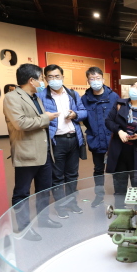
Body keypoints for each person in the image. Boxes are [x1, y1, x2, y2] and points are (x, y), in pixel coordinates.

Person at [3, 63, 62, 241]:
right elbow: (20, 123)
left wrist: (45, 118)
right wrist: (46, 117)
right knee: (22, 193)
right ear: (31, 80)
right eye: (41, 78)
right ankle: (24, 228)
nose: (43, 82)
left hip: (44, 152)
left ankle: (43, 219)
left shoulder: (36, 97)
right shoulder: (12, 98)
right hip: (26, 153)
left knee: (44, 190)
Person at [38, 64, 88, 219]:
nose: (54, 79)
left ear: (62, 77)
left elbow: (84, 112)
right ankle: (60, 206)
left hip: (73, 139)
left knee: (72, 174)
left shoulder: (72, 94)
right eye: (50, 77)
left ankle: (72, 203)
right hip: (56, 141)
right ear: (45, 78)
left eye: (57, 76)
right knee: (58, 176)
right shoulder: (41, 96)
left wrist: (75, 114)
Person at [105, 81, 137, 208]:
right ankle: (119, 211)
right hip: (120, 152)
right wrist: (119, 131)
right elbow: (108, 121)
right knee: (119, 186)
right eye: (133, 86)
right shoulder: (120, 104)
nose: (133, 88)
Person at [81, 66, 119, 208]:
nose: (95, 81)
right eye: (92, 79)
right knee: (98, 169)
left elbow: (119, 117)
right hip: (95, 139)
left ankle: (118, 195)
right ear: (88, 81)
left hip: (113, 139)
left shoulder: (113, 97)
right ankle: (99, 196)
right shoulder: (84, 99)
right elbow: (85, 119)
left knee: (116, 168)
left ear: (103, 79)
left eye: (98, 78)